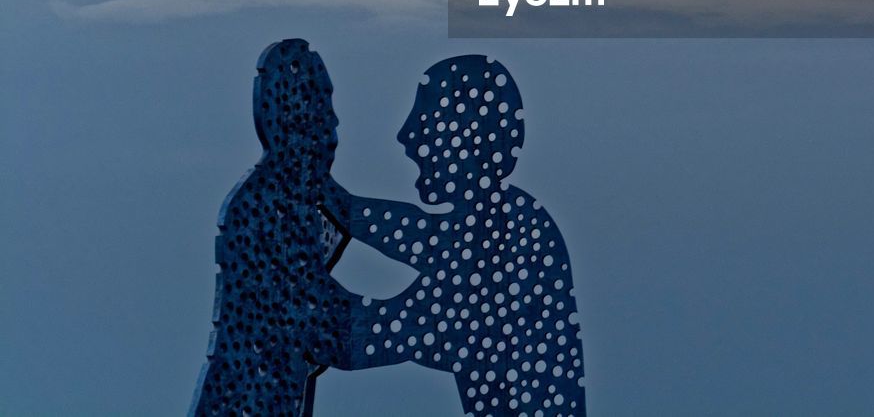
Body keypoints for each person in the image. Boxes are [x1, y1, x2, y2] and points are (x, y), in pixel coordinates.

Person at [325, 55, 587, 416]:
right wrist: (334, 201)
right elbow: (422, 236)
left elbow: (370, 335)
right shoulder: (513, 225)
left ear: (467, 136)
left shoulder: (509, 239)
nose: (407, 135)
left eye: (427, 119)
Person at [189, 40, 413, 417]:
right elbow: (321, 322)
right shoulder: (267, 205)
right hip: (247, 402)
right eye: (322, 106)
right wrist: (423, 323)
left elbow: (364, 217)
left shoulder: (310, 196)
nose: (333, 123)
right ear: (292, 120)